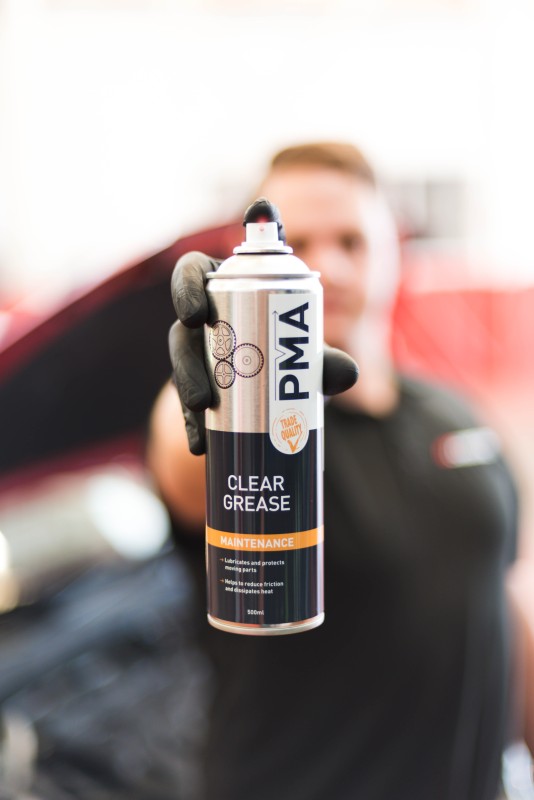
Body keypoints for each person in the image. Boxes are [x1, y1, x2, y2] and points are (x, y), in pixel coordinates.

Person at [147, 142, 521, 800]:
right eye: (302, 242)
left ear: (394, 248)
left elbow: (500, 591)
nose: (330, 264)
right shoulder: (252, 429)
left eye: (352, 240)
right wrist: (213, 366)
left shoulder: (456, 413)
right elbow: (181, 458)